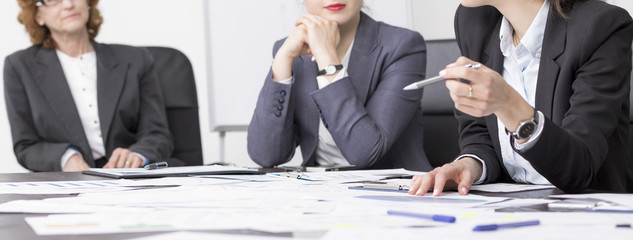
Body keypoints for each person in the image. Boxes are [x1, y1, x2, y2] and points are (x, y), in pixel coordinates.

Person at [409, 0, 633, 195]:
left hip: (587, 215)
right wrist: (470, 166)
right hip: (510, 212)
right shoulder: (473, 21)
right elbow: (478, 135)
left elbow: (578, 168)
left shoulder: (601, 26)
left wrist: (508, 104)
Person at [247, 0, 431, 170]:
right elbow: (265, 155)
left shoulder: (402, 46)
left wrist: (326, 58)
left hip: (393, 191)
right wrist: (282, 60)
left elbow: (365, 152)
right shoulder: (292, 50)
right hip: (322, 191)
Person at [4, 0, 173, 172]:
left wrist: (137, 154)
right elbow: (25, 146)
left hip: (131, 179)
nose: (68, 4)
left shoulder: (136, 59)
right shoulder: (19, 66)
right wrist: (65, 157)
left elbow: (158, 134)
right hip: (69, 186)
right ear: (38, 15)